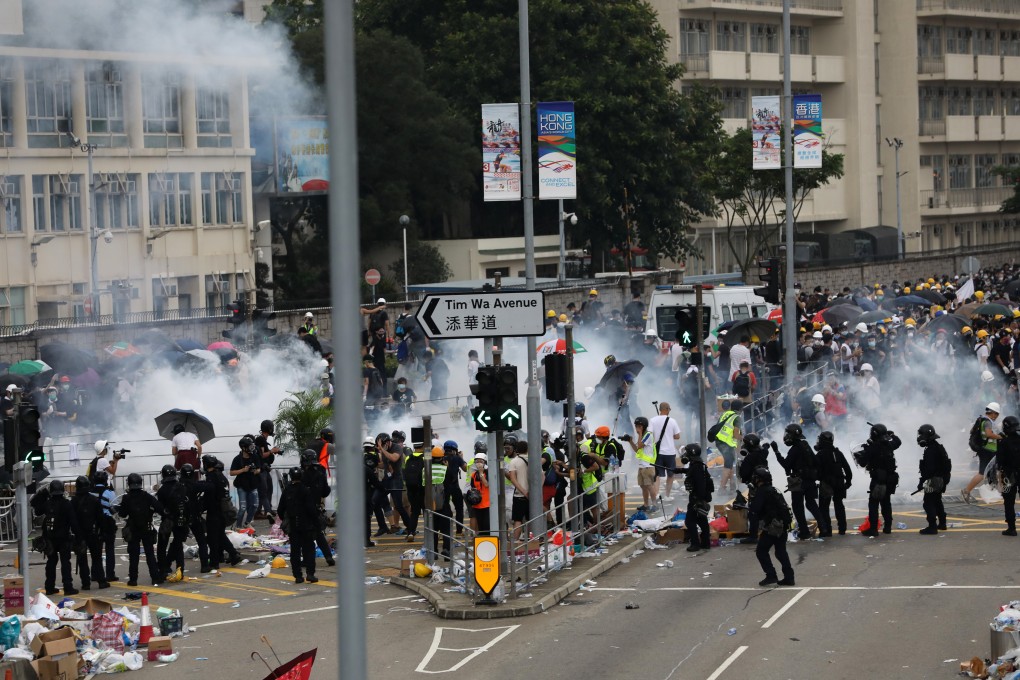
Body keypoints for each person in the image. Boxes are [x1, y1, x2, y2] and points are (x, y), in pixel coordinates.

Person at [772, 423, 821, 540]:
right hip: (810, 481)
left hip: (799, 482)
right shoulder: (805, 445)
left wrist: (776, 452)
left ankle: (804, 532)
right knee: (811, 504)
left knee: (797, 507)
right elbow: (816, 461)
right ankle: (824, 528)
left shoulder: (795, 449)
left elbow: (786, 464)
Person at [749, 466, 795, 587]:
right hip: (782, 525)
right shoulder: (773, 490)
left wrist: (752, 499)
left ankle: (771, 575)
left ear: (759, 479)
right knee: (780, 552)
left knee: (761, 551)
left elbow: (755, 509)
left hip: (773, 527)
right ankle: (789, 577)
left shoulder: (762, 491)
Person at [33, 479, 79, 596]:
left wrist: (41, 495)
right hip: (64, 538)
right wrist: (78, 536)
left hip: (49, 538)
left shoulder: (47, 503)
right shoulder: (66, 504)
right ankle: (68, 587)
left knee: (51, 562)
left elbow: (37, 510)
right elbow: (73, 522)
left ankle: (49, 587)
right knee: (65, 563)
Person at [116, 472, 163, 587]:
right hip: (146, 527)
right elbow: (159, 508)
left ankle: (133, 579)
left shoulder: (127, 498)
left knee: (133, 555)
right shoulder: (147, 496)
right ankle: (155, 578)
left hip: (133, 528)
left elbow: (122, 513)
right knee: (150, 554)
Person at [278, 467, 320, 584]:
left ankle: (298, 576)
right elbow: (311, 510)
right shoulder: (306, 490)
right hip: (306, 525)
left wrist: (286, 519)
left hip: (293, 525)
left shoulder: (287, 490)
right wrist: (316, 524)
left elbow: (280, 509)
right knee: (309, 551)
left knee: (295, 552)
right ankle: (310, 574)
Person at [858, 423, 901, 537]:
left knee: (873, 504)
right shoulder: (889, 445)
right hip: (889, 480)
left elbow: (862, 463)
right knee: (886, 503)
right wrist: (892, 435)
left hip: (878, 480)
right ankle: (887, 527)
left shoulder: (871, 448)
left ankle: (873, 529)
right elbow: (898, 442)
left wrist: (862, 452)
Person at [201, 455, 242, 571]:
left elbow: (209, 496)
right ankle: (233, 554)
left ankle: (215, 562)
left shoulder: (211, 478)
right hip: (224, 511)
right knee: (220, 535)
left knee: (213, 538)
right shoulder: (221, 477)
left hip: (214, 511)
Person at [71, 475, 108, 590]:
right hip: (93, 532)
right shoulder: (94, 500)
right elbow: (101, 518)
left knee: (82, 559)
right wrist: (102, 531)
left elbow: (71, 519)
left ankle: (85, 583)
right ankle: (101, 580)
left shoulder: (73, 501)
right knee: (96, 558)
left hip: (79, 534)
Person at [813, 431, 852, 537]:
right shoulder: (838, 453)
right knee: (839, 505)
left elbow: (815, 470)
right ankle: (842, 529)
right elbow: (847, 469)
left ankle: (827, 530)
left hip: (826, 483)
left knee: (824, 507)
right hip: (839, 482)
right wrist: (848, 481)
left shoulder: (820, 454)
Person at [299, 449, 334, 564]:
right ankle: (328, 557)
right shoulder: (320, 472)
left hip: (304, 508)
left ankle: (306, 559)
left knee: (305, 535)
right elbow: (326, 491)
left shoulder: (301, 475)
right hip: (316, 507)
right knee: (318, 534)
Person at [963, 402, 1002, 504]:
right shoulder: (988, 422)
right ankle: (966, 491)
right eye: (996, 414)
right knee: (982, 473)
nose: (997, 416)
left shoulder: (983, 420)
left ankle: (998, 492)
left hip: (987, 450)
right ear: (992, 412)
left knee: (995, 471)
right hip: (987, 451)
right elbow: (989, 434)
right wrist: (1000, 437)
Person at [155, 464, 189, 583]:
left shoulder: (162, 490)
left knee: (162, 546)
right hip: (180, 519)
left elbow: (159, 507)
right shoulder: (181, 487)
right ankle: (180, 570)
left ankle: (162, 571)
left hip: (167, 520)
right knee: (178, 545)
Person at [917, 424, 952, 535]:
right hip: (941, 479)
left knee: (928, 503)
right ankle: (942, 523)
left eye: (921, 434)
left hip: (934, 480)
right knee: (937, 501)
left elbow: (929, 470)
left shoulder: (930, 450)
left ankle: (932, 526)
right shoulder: (938, 447)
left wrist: (922, 482)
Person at [737, 433, 770, 545]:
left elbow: (744, 474)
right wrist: (766, 446)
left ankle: (753, 536)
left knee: (754, 512)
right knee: (766, 508)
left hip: (756, 487)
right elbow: (766, 450)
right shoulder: (762, 453)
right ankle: (769, 530)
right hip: (767, 486)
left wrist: (741, 466)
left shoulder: (750, 458)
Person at [680, 443, 713, 552]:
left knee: (690, 521)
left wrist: (698, 500)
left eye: (687, 452)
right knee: (702, 520)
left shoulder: (697, 467)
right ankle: (705, 543)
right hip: (699, 497)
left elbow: (700, 484)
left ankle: (695, 544)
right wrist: (678, 470)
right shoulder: (698, 464)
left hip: (696, 498)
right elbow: (692, 472)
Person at [178, 464, 210, 572]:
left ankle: (174, 567)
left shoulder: (178, 486)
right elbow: (209, 486)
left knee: (177, 543)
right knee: (201, 541)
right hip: (194, 517)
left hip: (181, 517)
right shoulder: (194, 485)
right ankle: (205, 565)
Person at [648, 402, 682, 500]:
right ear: (667, 409)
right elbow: (677, 436)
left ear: (660, 409)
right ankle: (667, 495)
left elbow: (650, 434)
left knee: (657, 475)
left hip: (658, 452)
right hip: (670, 452)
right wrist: (669, 434)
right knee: (670, 475)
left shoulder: (653, 420)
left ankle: (657, 494)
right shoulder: (672, 421)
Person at [91, 470, 119, 583]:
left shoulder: (90, 492)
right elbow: (115, 506)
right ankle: (110, 574)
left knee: (96, 550)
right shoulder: (109, 492)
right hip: (107, 521)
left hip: (93, 522)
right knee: (109, 548)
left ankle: (95, 574)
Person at [624, 416, 657, 511]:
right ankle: (646, 505)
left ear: (643, 427)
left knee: (650, 485)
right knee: (643, 486)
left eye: (638, 426)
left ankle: (654, 505)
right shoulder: (642, 436)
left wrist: (639, 434)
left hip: (648, 466)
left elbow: (640, 445)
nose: (636, 428)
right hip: (642, 465)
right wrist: (630, 442)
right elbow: (637, 450)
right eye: (636, 426)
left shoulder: (647, 435)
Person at [426, 445, 452, 557]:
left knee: (433, 530)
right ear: (442, 458)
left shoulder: (425, 469)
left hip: (430, 504)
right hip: (444, 504)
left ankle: (434, 551)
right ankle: (446, 550)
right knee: (446, 529)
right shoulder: (445, 469)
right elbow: (451, 482)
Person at [230, 436, 261, 529]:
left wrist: (255, 471)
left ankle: (247, 522)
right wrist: (243, 470)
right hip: (241, 486)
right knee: (243, 507)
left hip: (253, 484)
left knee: (255, 505)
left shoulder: (255, 456)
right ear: (243, 448)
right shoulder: (237, 459)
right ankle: (238, 526)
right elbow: (231, 472)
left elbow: (259, 469)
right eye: (249, 446)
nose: (252, 448)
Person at [713, 400, 741, 493]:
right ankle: (722, 488)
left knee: (730, 461)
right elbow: (735, 435)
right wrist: (744, 438)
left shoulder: (725, 414)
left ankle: (732, 483)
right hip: (725, 443)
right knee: (728, 465)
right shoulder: (737, 418)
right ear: (741, 409)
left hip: (719, 441)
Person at [253, 419, 279, 520]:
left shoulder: (263, 440)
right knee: (263, 491)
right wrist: (272, 451)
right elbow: (262, 455)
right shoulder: (260, 440)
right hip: (261, 469)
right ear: (269, 428)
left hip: (265, 469)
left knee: (269, 489)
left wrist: (273, 452)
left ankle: (268, 509)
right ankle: (263, 511)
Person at [403, 441, 426, 542]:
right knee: (427, 511)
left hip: (411, 489)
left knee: (414, 512)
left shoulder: (408, 457)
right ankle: (430, 532)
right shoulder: (425, 458)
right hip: (422, 489)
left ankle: (411, 532)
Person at [507, 439, 530, 540]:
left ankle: (514, 544)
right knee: (531, 519)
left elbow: (513, 479)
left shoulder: (514, 461)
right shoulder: (533, 459)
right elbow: (542, 476)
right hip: (533, 496)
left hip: (519, 495)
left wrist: (524, 491)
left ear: (516, 450)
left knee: (518, 520)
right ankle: (531, 541)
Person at [468, 451, 490, 534]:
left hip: (487, 504)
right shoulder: (474, 475)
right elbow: (473, 487)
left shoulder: (488, 472)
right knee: (480, 526)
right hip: (477, 504)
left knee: (487, 525)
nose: (478, 463)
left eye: (481, 461)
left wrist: (481, 473)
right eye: (477, 461)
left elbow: (486, 484)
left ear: (485, 462)